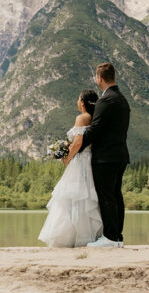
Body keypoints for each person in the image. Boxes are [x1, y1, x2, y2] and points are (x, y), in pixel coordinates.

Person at [37, 90, 104, 248]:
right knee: (87, 197)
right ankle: (88, 236)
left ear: (82, 102)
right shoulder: (96, 119)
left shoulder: (81, 118)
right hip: (92, 161)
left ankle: (70, 238)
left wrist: (67, 158)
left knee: (72, 198)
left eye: (78, 98)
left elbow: (78, 142)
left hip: (80, 161)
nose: (77, 101)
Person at [80, 62, 130, 248]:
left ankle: (109, 237)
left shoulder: (105, 100)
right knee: (116, 195)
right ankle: (117, 237)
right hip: (120, 155)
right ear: (113, 77)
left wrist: (76, 147)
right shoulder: (122, 99)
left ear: (99, 78)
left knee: (106, 196)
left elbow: (95, 130)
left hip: (105, 158)